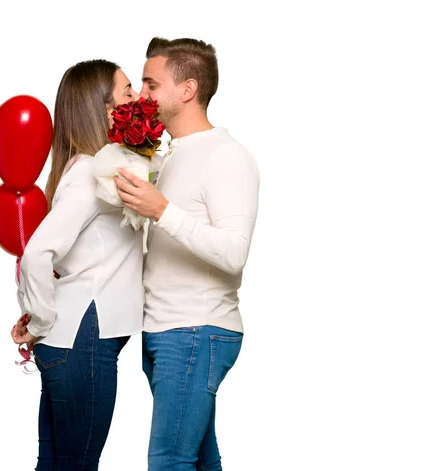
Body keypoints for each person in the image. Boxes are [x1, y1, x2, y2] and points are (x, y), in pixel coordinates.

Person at [114, 37, 260, 471]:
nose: (142, 96)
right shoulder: (167, 156)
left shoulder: (227, 156)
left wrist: (162, 211)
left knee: (169, 461)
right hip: (165, 331)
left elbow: (235, 252)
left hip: (196, 330)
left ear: (187, 89)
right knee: (197, 458)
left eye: (151, 84)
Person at [11, 59, 143, 471]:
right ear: (103, 109)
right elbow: (37, 253)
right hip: (82, 344)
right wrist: (39, 322)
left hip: (73, 344)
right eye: (127, 92)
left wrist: (38, 320)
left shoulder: (88, 168)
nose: (137, 98)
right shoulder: (89, 172)